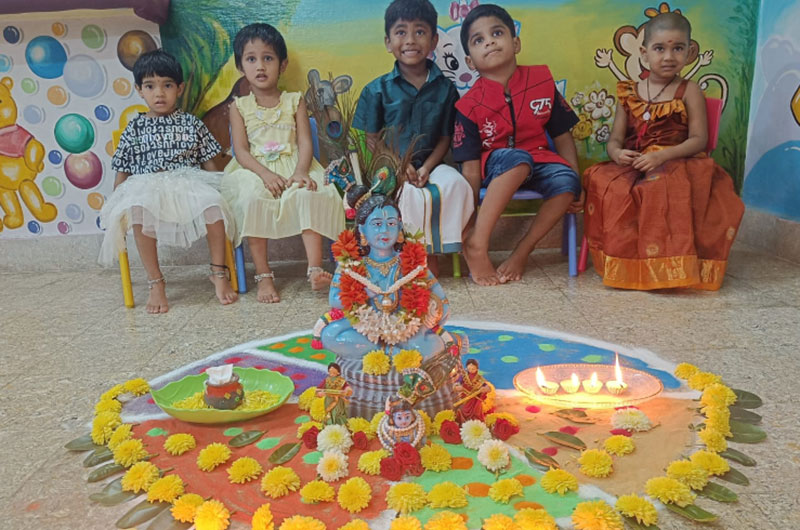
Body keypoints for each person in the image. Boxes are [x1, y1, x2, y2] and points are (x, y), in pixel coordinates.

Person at [583, 12, 744, 290]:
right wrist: (617, 154)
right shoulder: (629, 92)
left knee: (661, 188)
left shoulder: (689, 90)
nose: (669, 57)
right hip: (635, 162)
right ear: (644, 53)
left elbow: (699, 140)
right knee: (608, 185)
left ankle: (666, 268)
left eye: (678, 48)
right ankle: (626, 264)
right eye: (659, 48)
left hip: (677, 159)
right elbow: (615, 140)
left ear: (689, 53)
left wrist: (661, 155)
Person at [452, 4, 583, 285]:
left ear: (516, 43)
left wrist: (577, 182)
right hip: (496, 165)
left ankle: (522, 251)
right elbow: (470, 169)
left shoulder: (542, 82)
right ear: (470, 61)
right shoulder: (468, 106)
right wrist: (468, 219)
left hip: (540, 158)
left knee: (566, 182)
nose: (489, 41)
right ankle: (477, 243)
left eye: (497, 33)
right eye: (478, 40)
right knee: (517, 160)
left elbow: (562, 135)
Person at [99, 50, 237, 314]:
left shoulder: (191, 123)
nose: (159, 93)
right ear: (139, 90)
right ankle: (156, 282)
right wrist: (117, 200)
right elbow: (122, 169)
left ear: (179, 89)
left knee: (214, 205)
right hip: (146, 185)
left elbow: (209, 165)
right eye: (150, 86)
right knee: (139, 211)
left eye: (167, 85)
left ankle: (219, 272)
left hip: (187, 182)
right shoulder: (134, 128)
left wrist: (220, 188)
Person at [221, 23, 345, 303]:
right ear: (241, 67)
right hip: (254, 169)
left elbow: (305, 143)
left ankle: (315, 269)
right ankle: (264, 275)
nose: (260, 66)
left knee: (311, 192)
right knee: (252, 199)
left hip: (295, 164)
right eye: (251, 59)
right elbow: (241, 151)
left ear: (283, 64)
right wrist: (265, 175)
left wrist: (301, 171)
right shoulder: (239, 107)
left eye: (268, 58)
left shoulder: (294, 100)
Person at [353, 0, 474, 276]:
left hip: (433, 164)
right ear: (388, 42)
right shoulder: (376, 90)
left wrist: (427, 167)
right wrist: (399, 165)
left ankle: (442, 248)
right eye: (401, 32)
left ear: (433, 40)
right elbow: (372, 140)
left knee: (456, 184)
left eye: (419, 32)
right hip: (390, 168)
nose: (410, 40)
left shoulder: (446, 88)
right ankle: (417, 257)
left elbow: (445, 137)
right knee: (406, 194)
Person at [319, 187, 453, 361]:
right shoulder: (352, 265)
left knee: (428, 345)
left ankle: (385, 353)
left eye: (391, 224)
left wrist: (428, 311)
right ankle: (394, 354)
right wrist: (363, 295)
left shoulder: (411, 263)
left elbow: (441, 302)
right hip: (364, 329)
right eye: (376, 224)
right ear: (362, 230)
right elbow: (335, 299)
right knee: (330, 335)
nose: (384, 230)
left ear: (400, 228)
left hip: (405, 330)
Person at [452, 358, 490, 423]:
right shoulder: (463, 376)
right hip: (465, 398)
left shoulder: (480, 378)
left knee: (476, 411)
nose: (471, 370)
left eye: (473, 369)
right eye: (469, 369)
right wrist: (458, 387)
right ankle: (464, 422)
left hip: (475, 400)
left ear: (477, 369)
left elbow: (488, 387)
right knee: (463, 410)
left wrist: (485, 389)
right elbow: (456, 384)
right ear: (466, 368)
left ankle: (475, 423)